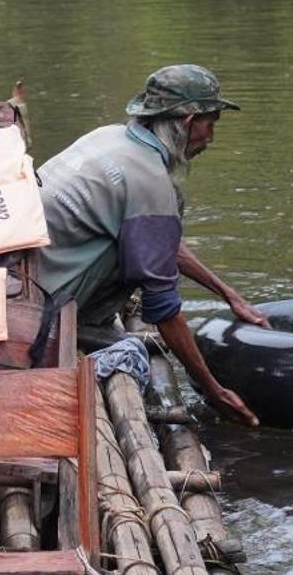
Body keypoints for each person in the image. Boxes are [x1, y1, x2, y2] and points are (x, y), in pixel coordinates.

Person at [38, 64, 267, 427]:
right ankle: (80, 329)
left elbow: (161, 243)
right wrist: (212, 389)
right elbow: (162, 308)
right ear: (190, 121)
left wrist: (230, 295)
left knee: (151, 229)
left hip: (28, 277)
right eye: (212, 123)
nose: (211, 137)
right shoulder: (150, 181)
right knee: (158, 228)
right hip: (43, 312)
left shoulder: (110, 136)